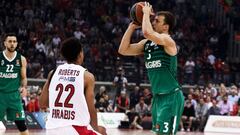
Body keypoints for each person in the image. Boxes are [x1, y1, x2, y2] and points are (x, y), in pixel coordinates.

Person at [118, 2, 184, 134]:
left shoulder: (168, 41)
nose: (153, 22)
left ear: (165, 27)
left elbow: (147, 32)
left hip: (171, 97)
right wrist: (131, 27)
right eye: (153, 20)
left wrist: (146, 13)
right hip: (157, 98)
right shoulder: (147, 43)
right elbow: (123, 50)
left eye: (157, 21)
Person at [39, 37, 107, 135]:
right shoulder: (87, 76)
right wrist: (96, 130)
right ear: (80, 54)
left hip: (51, 129)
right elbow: (90, 109)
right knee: (102, 131)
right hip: (75, 129)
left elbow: (42, 103)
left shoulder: (53, 73)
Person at [0, 33, 29, 135]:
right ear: (5, 43)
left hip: (14, 96)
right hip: (0, 95)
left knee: (22, 126)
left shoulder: (21, 59)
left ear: (17, 44)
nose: (12, 44)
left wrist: (24, 87)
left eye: (14, 42)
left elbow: (24, 78)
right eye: (10, 41)